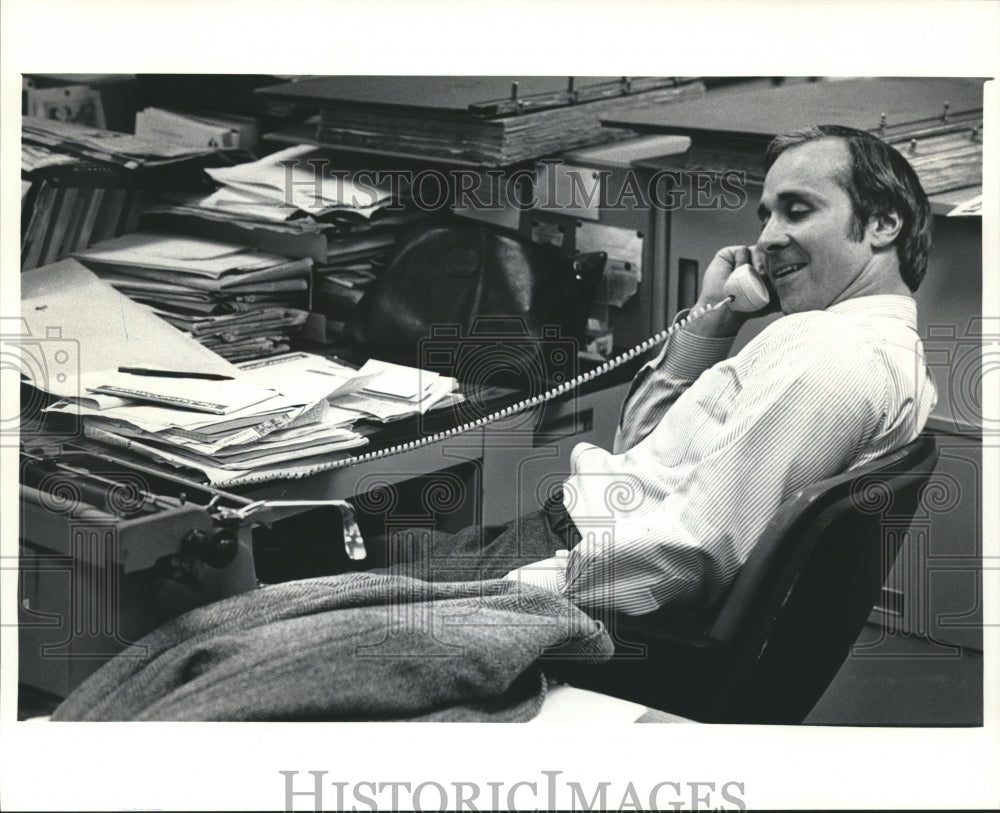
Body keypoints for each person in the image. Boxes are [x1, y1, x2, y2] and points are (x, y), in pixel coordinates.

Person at [367, 124, 938, 619]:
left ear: (883, 223)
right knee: (347, 552)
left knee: (307, 581)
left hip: (557, 570)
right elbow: (641, 446)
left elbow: (692, 554)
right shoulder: (870, 346)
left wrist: (508, 591)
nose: (765, 239)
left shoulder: (830, 356)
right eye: (766, 215)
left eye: (798, 210)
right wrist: (713, 322)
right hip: (568, 546)